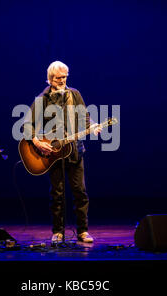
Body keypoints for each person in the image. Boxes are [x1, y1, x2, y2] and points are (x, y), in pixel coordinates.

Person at [23, 61, 101, 244]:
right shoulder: (42, 99)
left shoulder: (74, 94)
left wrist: (94, 126)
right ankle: (57, 232)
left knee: (80, 192)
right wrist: (36, 142)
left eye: (65, 77)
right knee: (57, 194)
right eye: (59, 78)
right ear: (50, 79)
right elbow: (27, 125)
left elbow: (85, 117)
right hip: (54, 155)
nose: (63, 80)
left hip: (75, 152)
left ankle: (83, 231)